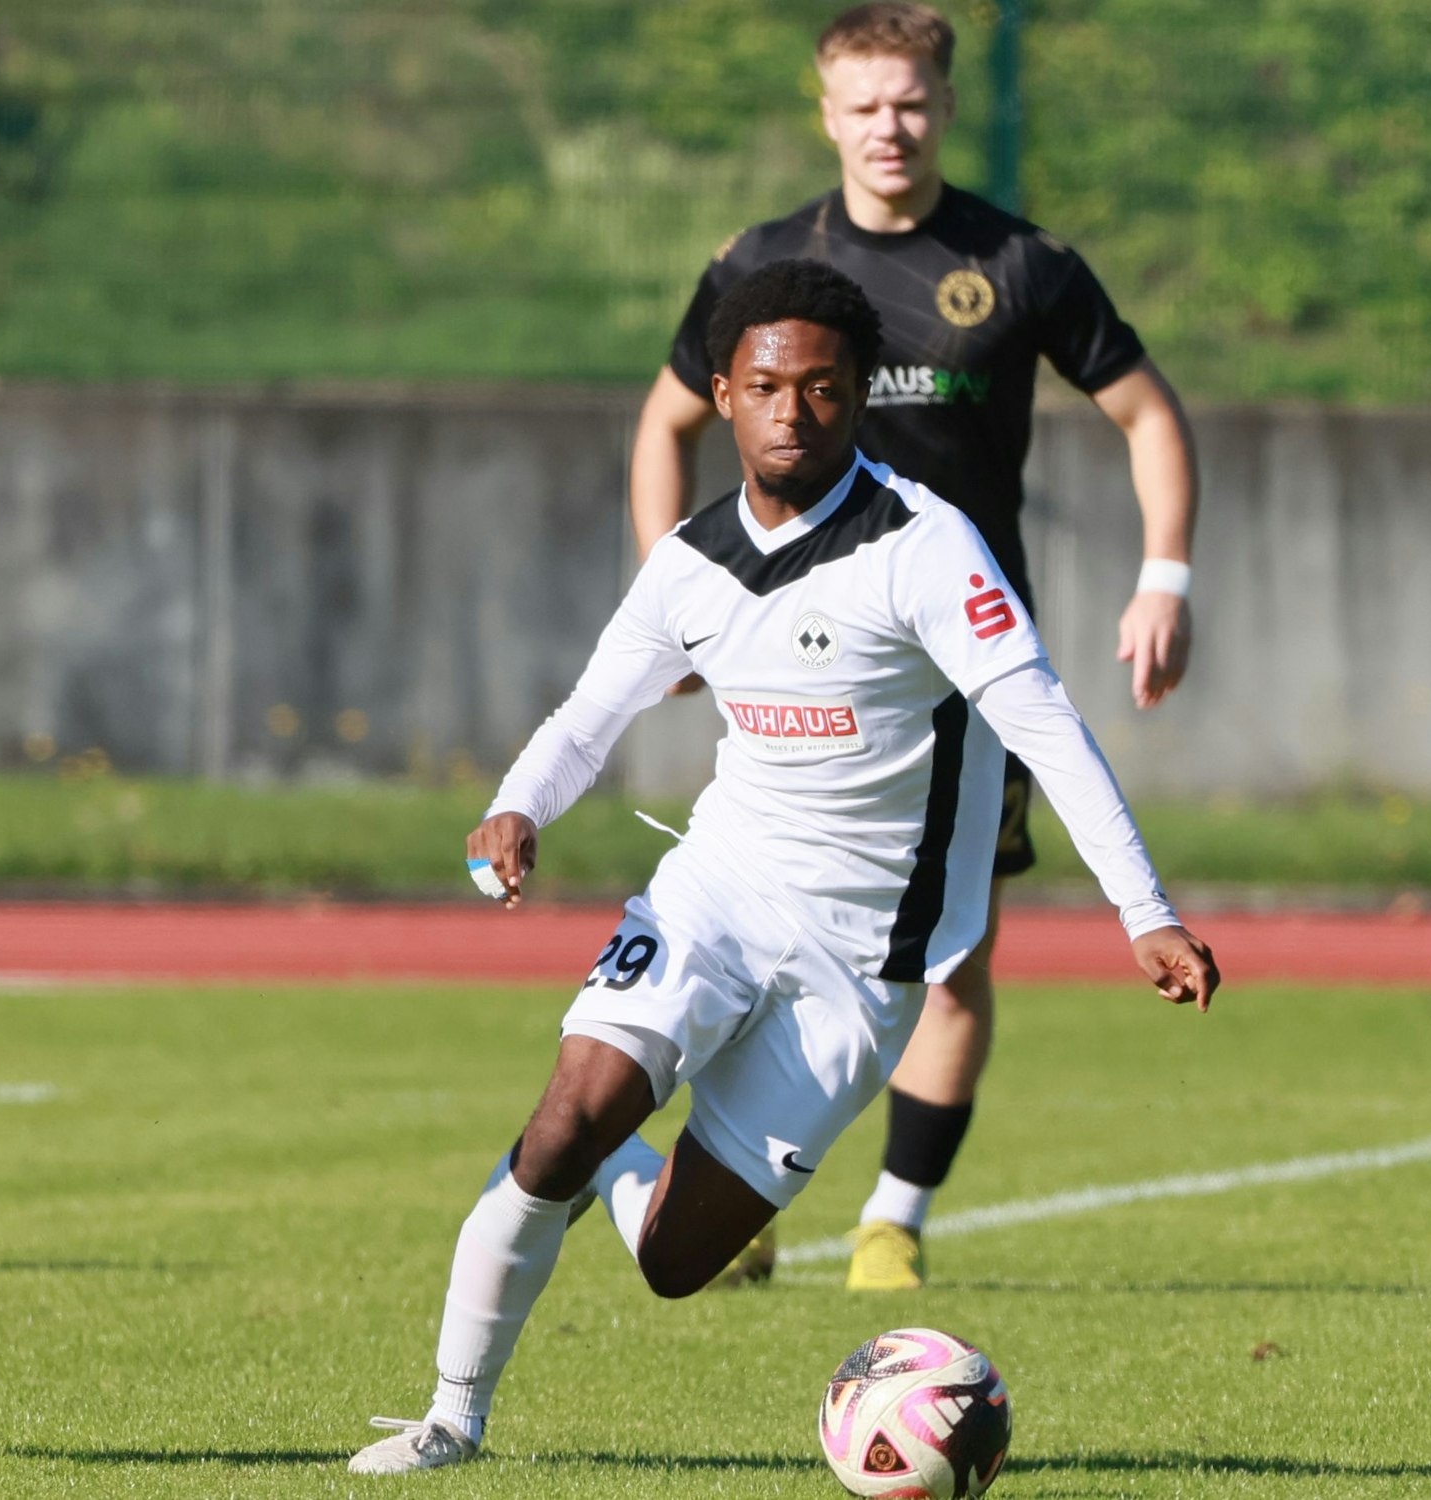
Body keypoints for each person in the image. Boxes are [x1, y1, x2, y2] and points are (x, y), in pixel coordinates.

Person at [348, 259, 1216, 1474]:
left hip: (865, 962)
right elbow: (589, 717)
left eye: (820, 388)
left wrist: (1146, 913)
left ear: (859, 397)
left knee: (669, 1263)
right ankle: (450, 1417)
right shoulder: (689, 566)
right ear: (722, 392)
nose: (790, 412)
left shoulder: (924, 544)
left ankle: (617, 1162)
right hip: (716, 889)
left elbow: (1042, 726)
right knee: (558, 1128)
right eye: (764, 386)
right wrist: (513, 810)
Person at [627, 1, 1201, 1291]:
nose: (889, 128)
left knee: (948, 957)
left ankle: (893, 1216)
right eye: (864, 105)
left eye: (911, 103)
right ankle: (742, 1199)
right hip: (788, 667)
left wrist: (1162, 573)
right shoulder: (760, 266)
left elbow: (1147, 413)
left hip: (956, 682)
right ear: (825, 113)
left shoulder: (1018, 261)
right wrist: (672, 594)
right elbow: (663, 422)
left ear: (940, 105)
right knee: (756, 941)